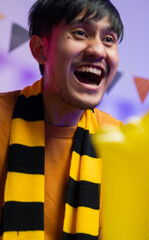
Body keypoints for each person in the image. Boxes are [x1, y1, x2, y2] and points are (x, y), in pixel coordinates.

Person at [0, 0, 123, 239]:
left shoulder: (118, 139)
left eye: (108, 39)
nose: (98, 50)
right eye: (80, 33)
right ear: (39, 49)